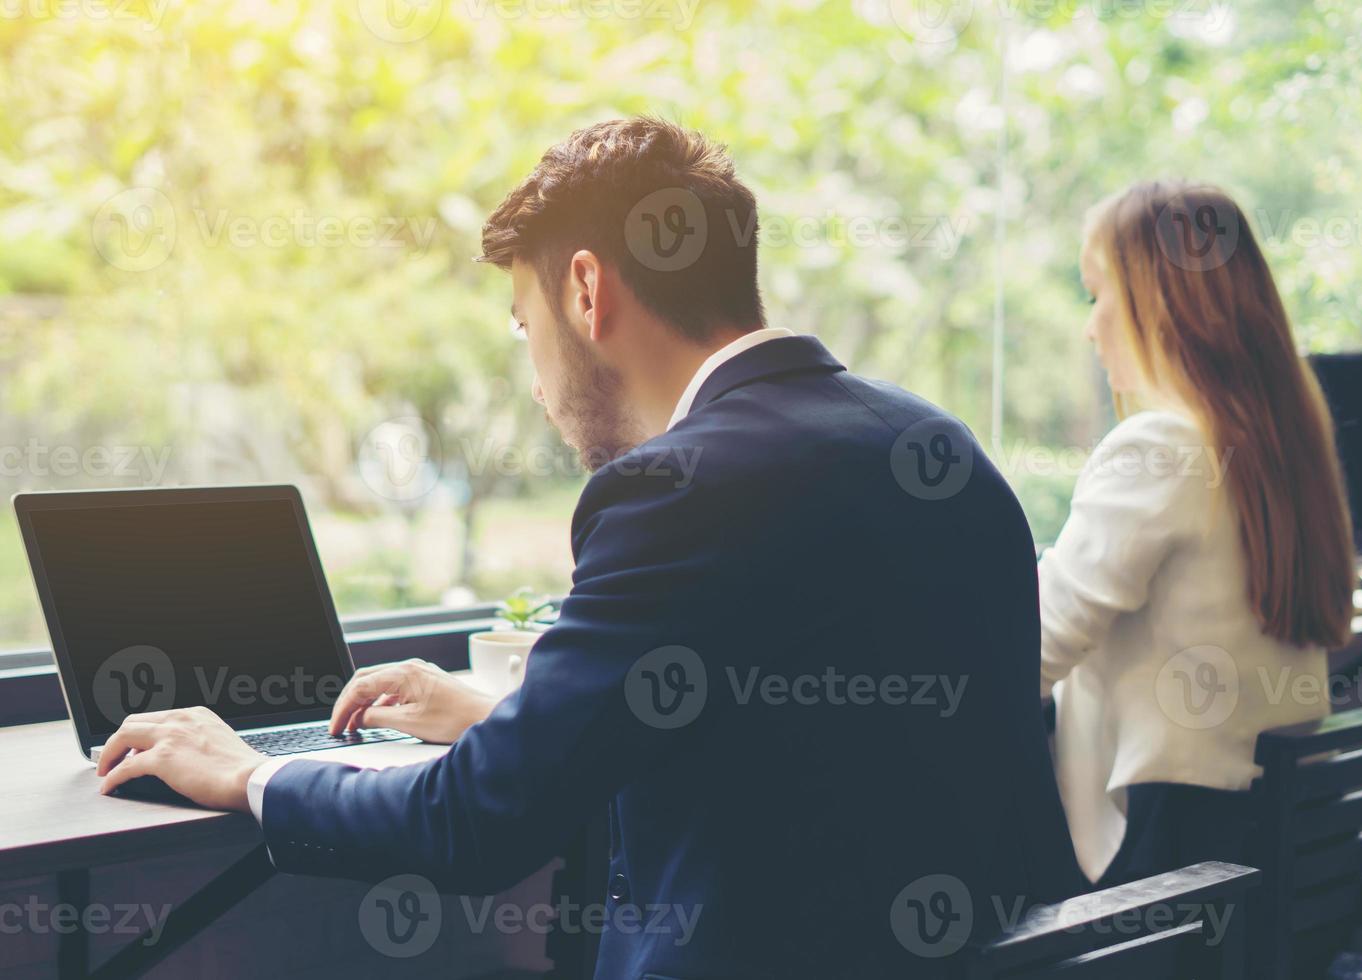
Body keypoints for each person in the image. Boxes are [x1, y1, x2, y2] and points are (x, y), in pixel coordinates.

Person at [96, 118, 1080, 977]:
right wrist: (513, 716)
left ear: (584, 290)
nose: (533, 380)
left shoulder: (676, 491)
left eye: (524, 328)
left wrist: (245, 772)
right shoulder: (937, 446)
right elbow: (814, 727)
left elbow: (472, 824)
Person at [1039, 180, 1357, 887]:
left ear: (1159, 303)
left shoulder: (1159, 447)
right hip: (1293, 852)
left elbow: (1029, 649)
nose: (1091, 326)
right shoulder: (1284, 441)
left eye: (1099, 293)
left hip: (1176, 865)